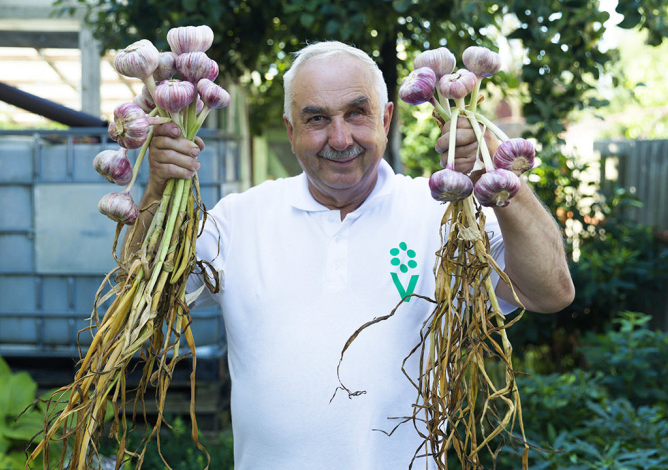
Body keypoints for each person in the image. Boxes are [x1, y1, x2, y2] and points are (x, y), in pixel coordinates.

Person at [129, 41, 574, 469]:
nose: (340, 138)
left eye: (356, 113)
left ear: (386, 119)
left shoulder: (444, 214)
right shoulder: (239, 219)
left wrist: (496, 176)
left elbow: (550, 291)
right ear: (290, 130)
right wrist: (156, 188)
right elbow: (138, 300)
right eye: (317, 118)